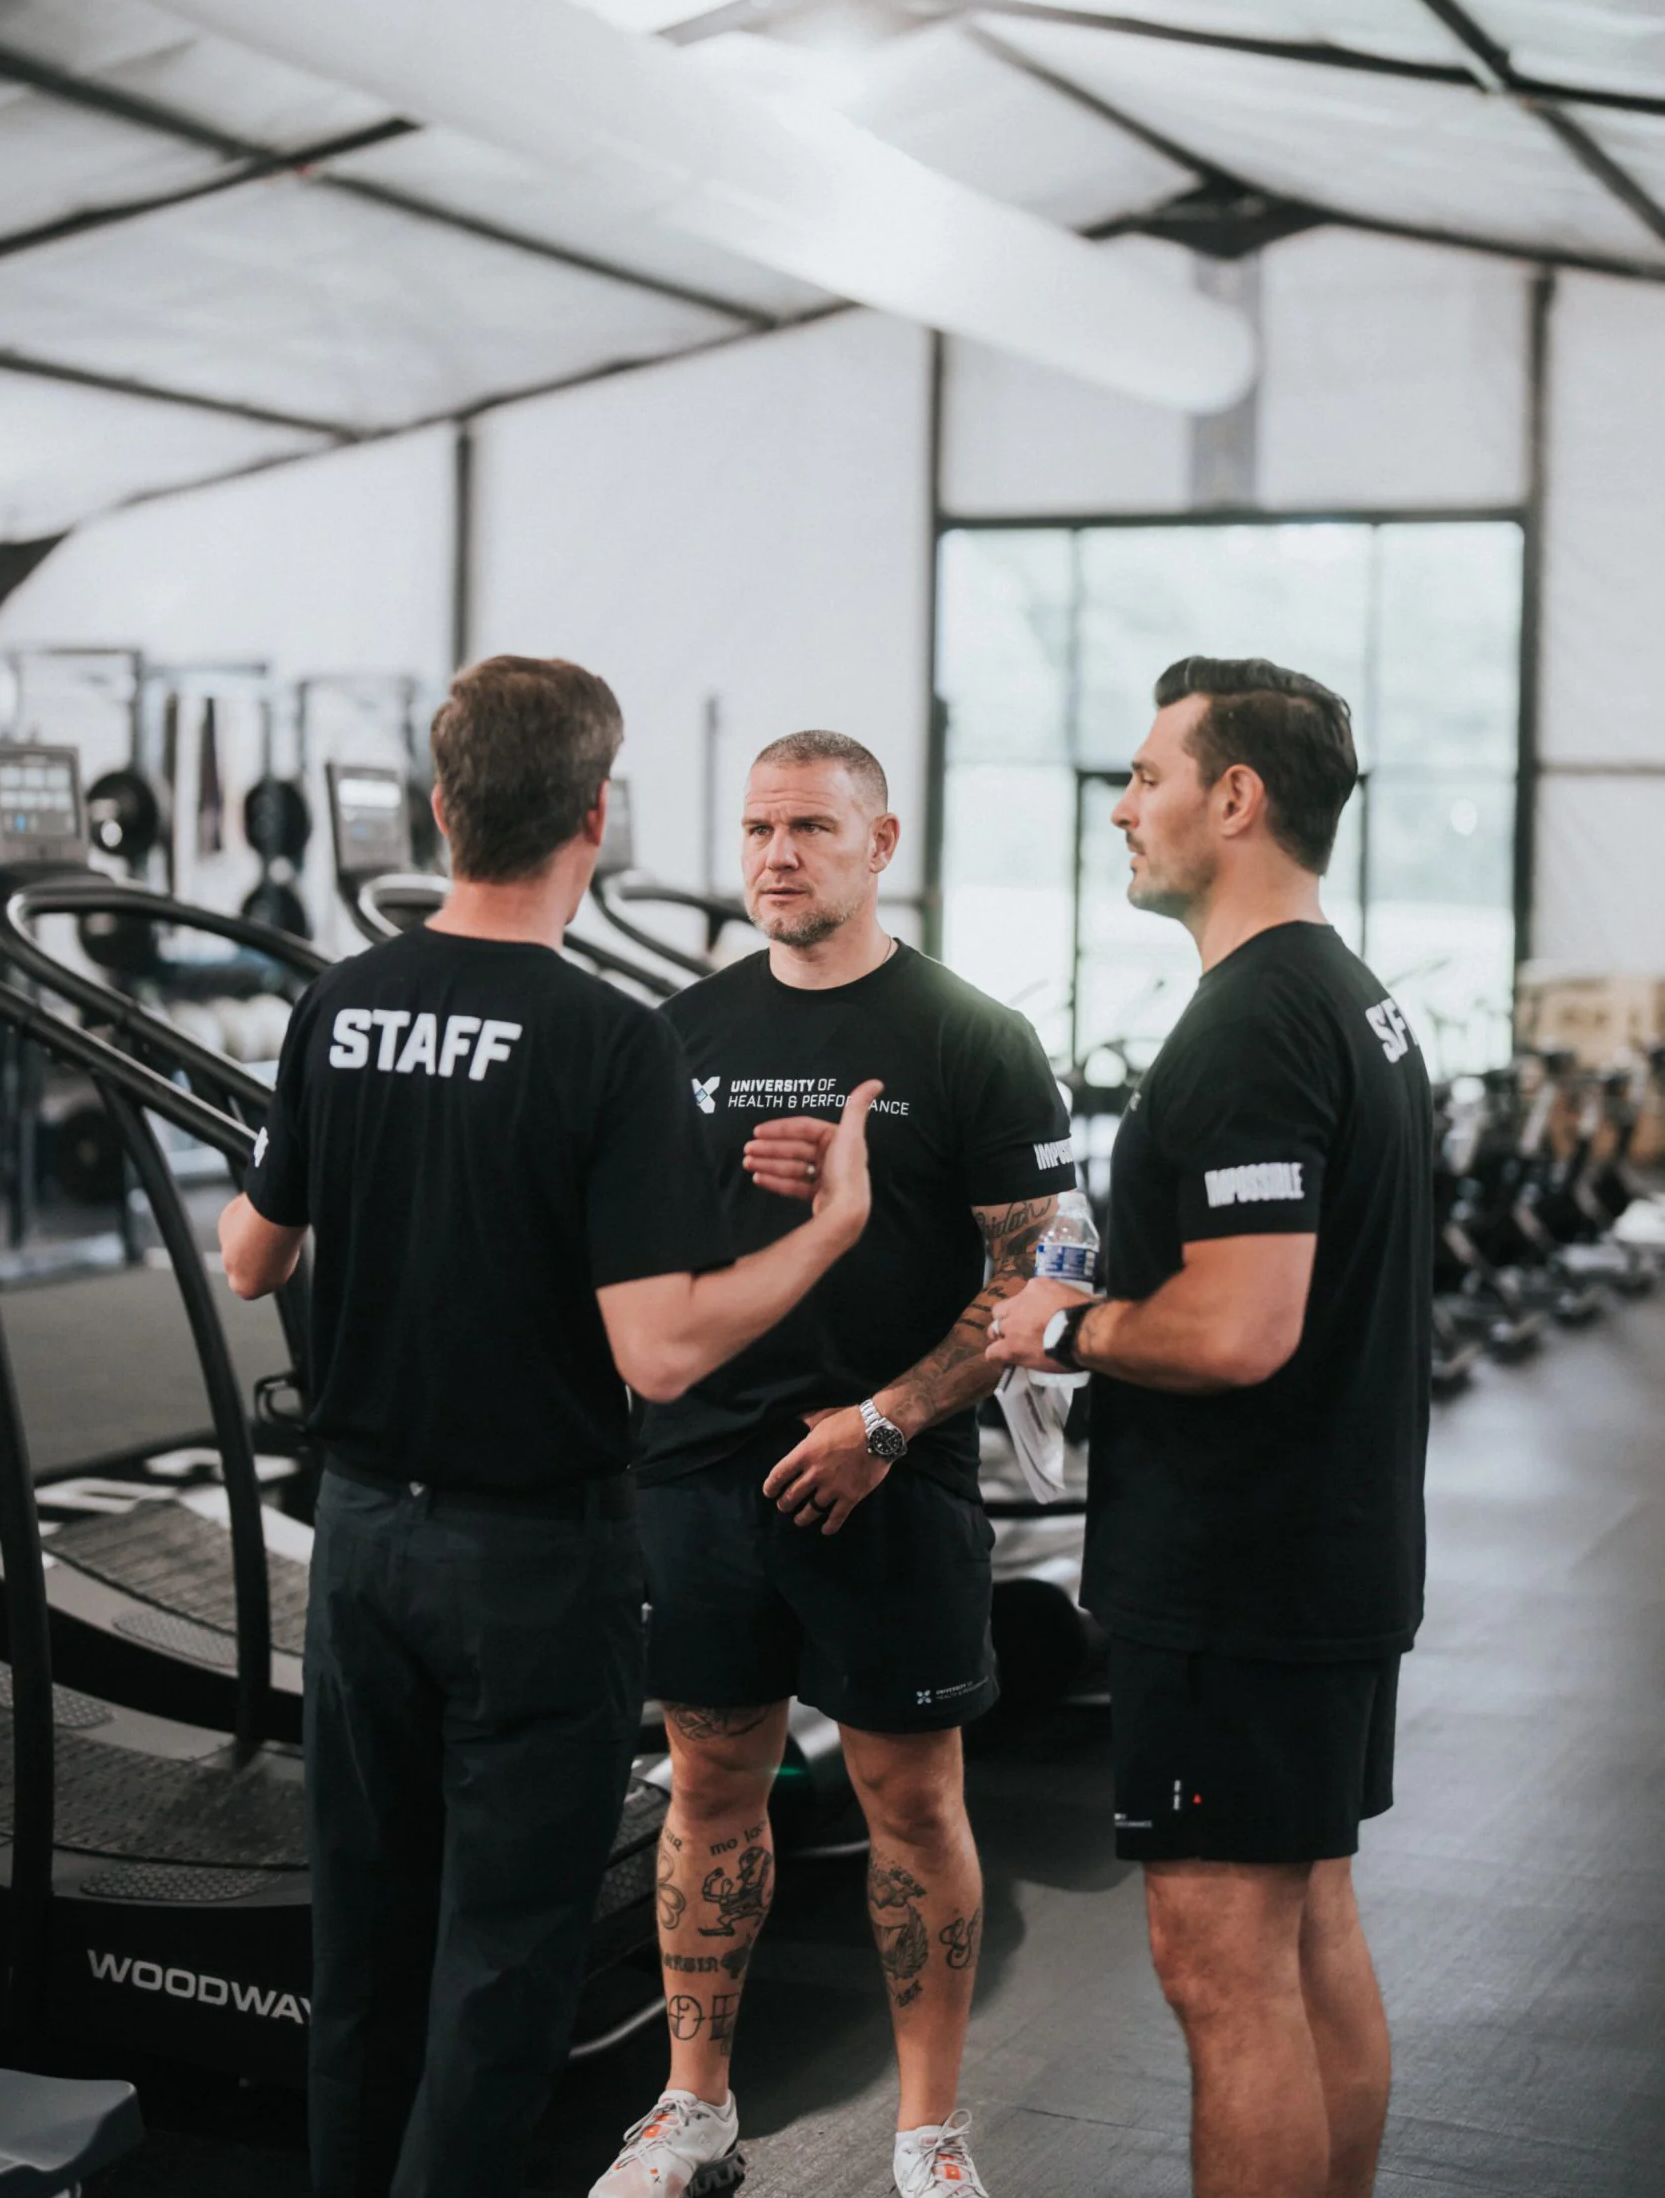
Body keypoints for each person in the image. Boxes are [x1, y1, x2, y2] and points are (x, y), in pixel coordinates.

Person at [217, 658, 880, 2198]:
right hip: (532, 1562)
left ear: (444, 811)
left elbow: (254, 1256)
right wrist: (828, 1232)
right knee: (505, 1956)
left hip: (363, 1540)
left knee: (363, 1932)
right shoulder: (606, 1039)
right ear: (594, 817)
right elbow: (657, 1356)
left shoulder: (340, 1000)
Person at [591, 730, 1076, 2198]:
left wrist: (885, 1422)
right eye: (754, 829)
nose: (776, 855)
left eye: (808, 825)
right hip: (701, 1481)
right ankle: (693, 2110)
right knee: (709, 1783)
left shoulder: (969, 1035)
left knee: (912, 1802)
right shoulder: (670, 1036)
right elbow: (639, 1272)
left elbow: (1039, 1276)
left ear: (882, 842)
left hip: (890, 1477)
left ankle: (928, 2134)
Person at [988, 657, 1433, 2198]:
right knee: (1307, 1935)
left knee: (1217, 1972)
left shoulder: (1251, 1025)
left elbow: (1242, 1328)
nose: (1120, 807)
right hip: (1323, 1555)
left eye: (1146, 776)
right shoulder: (1351, 999)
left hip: (1243, 1577)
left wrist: (1070, 1328)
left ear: (1233, 798)